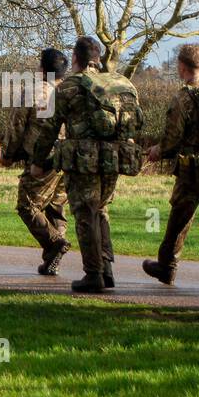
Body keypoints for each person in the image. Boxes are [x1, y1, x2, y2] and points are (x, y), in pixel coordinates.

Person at [29, 36, 143, 292]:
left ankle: (93, 274)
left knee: (85, 213)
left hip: (84, 160)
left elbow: (49, 129)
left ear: (76, 59)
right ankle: (107, 269)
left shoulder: (68, 87)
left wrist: (38, 163)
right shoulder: (118, 84)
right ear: (98, 59)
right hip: (114, 159)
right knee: (101, 210)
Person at [2, 48, 71, 275]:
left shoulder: (33, 91)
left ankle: (54, 244)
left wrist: (8, 154)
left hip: (42, 160)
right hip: (68, 158)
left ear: (42, 69)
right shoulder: (70, 92)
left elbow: (17, 126)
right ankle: (53, 259)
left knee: (26, 205)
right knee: (56, 209)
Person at [143, 43, 199, 285]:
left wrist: (159, 150)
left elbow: (172, 138)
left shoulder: (183, 98)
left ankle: (166, 266)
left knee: (180, 216)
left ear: (181, 67)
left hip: (193, 168)